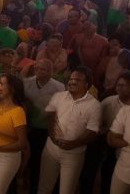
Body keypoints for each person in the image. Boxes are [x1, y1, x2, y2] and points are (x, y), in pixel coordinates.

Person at [38, 66, 101, 194]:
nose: (72, 81)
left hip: (74, 154)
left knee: (67, 191)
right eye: (71, 79)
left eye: (77, 80)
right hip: (51, 149)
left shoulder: (94, 105)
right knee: (44, 188)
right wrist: (53, 138)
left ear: (87, 84)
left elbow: (93, 132)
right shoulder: (59, 96)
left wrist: (73, 144)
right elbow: (50, 118)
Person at [23, 58, 66, 193]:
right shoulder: (26, 83)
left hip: (46, 129)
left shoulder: (59, 87)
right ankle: (32, 185)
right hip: (29, 127)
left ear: (51, 71)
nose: (39, 71)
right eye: (37, 68)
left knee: (44, 160)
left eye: (43, 69)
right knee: (32, 160)